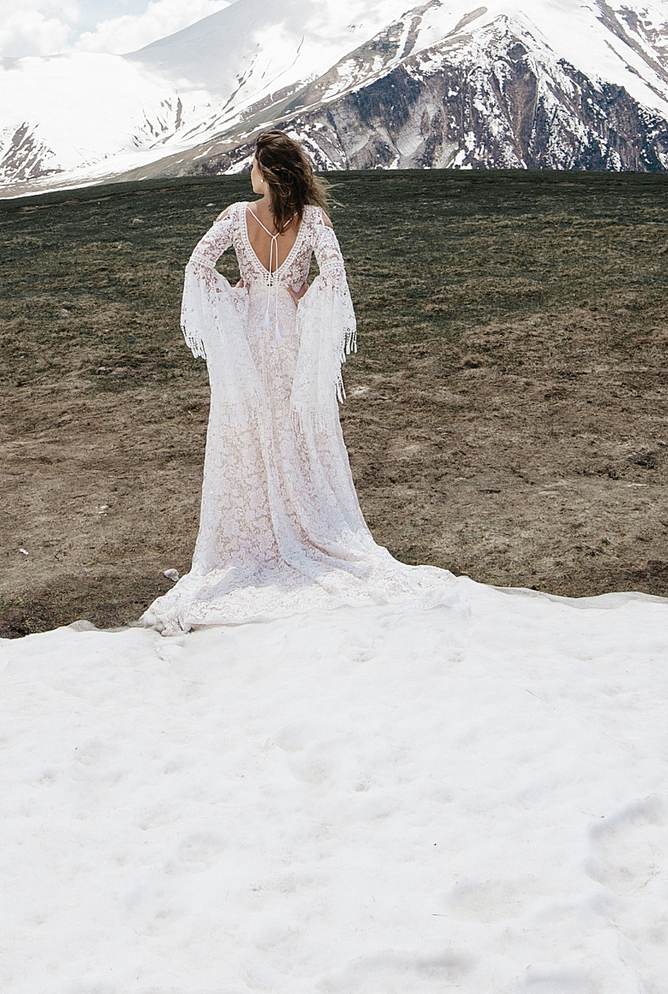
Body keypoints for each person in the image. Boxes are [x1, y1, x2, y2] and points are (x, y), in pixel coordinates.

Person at [141, 130, 449, 633]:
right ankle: (308, 522)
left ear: (269, 171)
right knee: (299, 430)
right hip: (290, 341)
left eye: (255, 163)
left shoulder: (236, 216)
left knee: (251, 430)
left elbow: (197, 268)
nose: (249, 171)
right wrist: (304, 295)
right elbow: (335, 275)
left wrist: (234, 296)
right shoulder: (313, 221)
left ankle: (255, 533)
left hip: (250, 345)